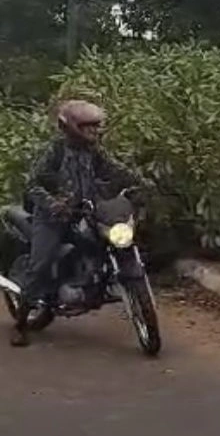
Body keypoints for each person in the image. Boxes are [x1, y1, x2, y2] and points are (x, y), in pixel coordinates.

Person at [12, 100, 145, 347]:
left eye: (95, 126)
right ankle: (20, 324)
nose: (94, 131)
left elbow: (116, 170)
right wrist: (53, 204)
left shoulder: (93, 151)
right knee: (41, 265)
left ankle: (92, 284)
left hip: (85, 212)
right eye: (88, 126)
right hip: (52, 217)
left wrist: (140, 184)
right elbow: (32, 185)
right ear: (71, 127)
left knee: (105, 243)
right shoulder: (55, 151)